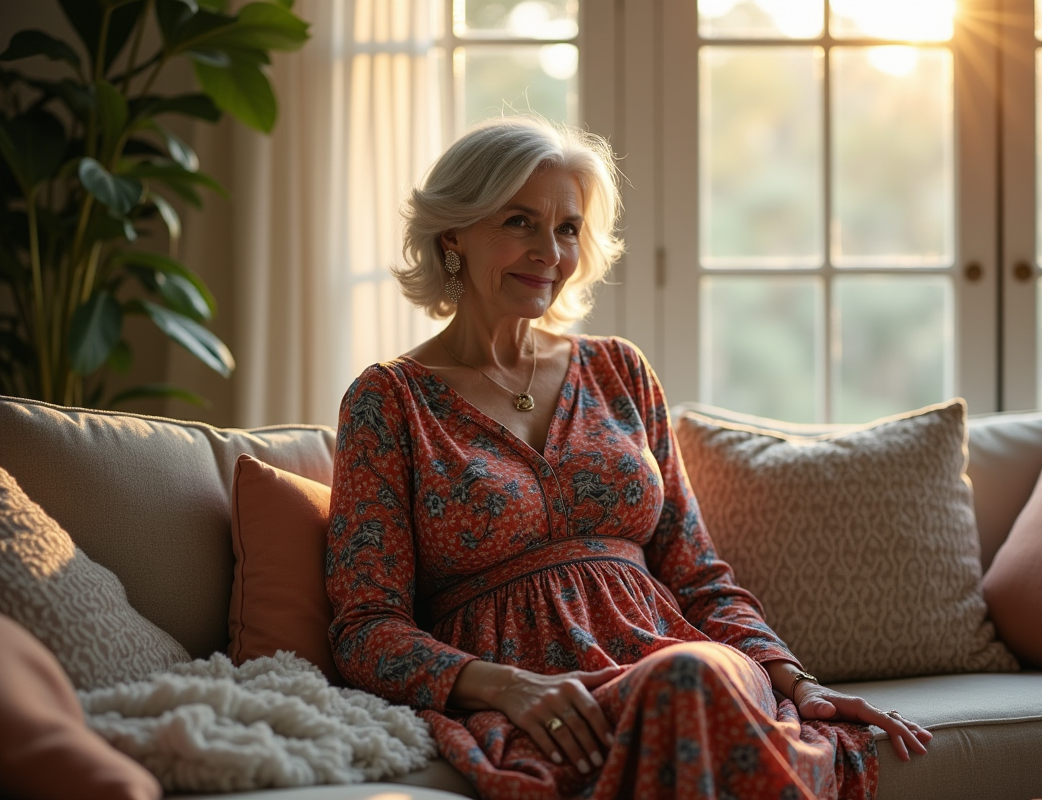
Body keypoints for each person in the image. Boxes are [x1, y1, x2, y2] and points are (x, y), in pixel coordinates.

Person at [326, 115, 932, 800]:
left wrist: (795, 680)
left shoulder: (620, 370)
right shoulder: (389, 401)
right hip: (547, 705)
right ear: (453, 234)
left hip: (689, 669)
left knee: (692, 677)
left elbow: (697, 572)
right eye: (520, 222)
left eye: (567, 229)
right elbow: (366, 628)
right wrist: (508, 687)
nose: (550, 253)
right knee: (688, 689)